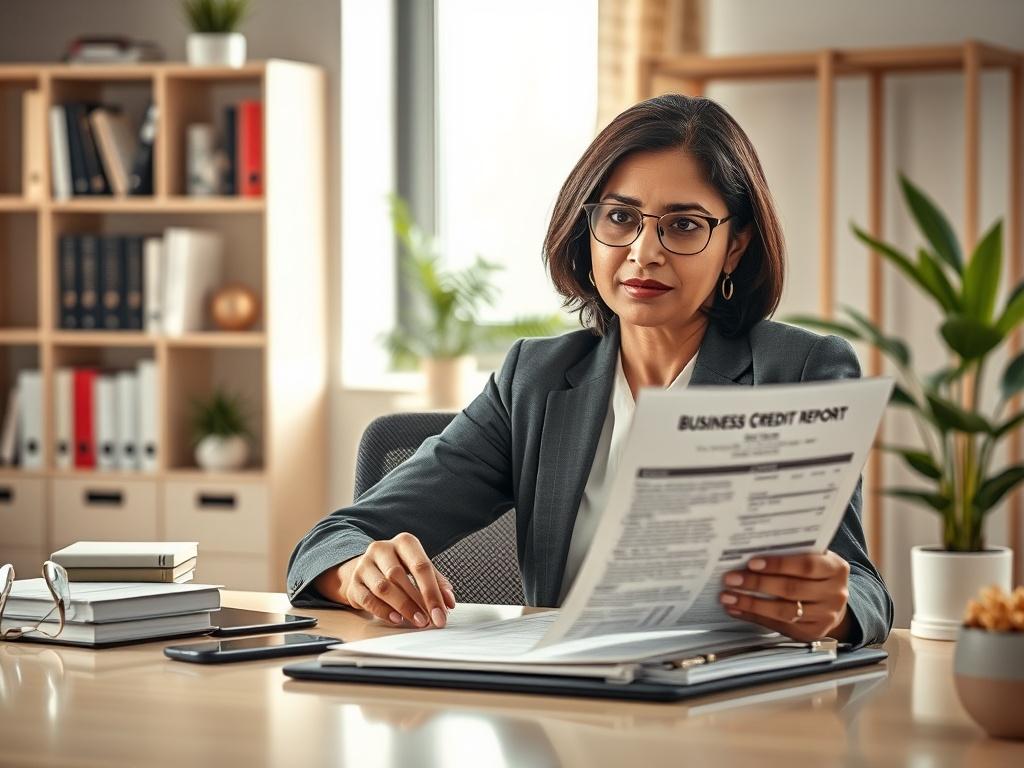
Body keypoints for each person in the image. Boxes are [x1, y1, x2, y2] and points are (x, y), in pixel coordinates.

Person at [287, 94, 894, 648]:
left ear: (734, 245)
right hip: (566, 708)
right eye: (620, 218)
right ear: (589, 227)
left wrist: (833, 608)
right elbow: (332, 538)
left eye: (683, 225)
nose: (643, 252)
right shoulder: (536, 378)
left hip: (725, 708)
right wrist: (357, 572)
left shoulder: (801, 371)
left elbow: (862, 587)